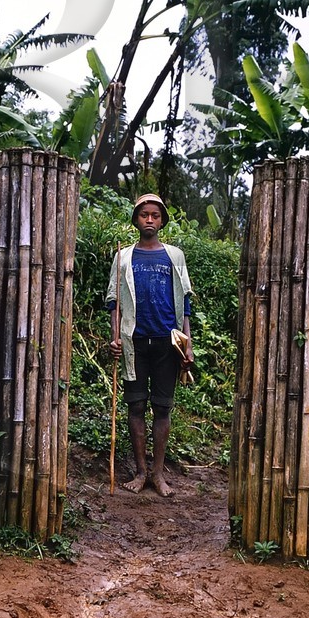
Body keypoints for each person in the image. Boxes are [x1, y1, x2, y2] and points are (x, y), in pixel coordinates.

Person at [106, 192, 194, 497]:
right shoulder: (123, 257)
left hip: (167, 343)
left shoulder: (175, 256)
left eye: (155, 215)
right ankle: (141, 472)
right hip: (134, 342)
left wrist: (188, 344)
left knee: (162, 408)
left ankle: (158, 474)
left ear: (162, 220)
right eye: (144, 215)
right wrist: (115, 337)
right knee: (136, 405)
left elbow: (185, 303)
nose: (150, 220)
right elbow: (114, 303)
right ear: (136, 219)